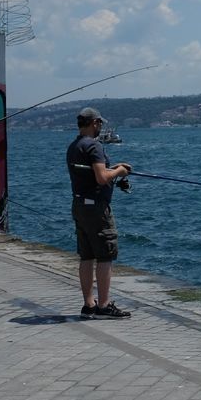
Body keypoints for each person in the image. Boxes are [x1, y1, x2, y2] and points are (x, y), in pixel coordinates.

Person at [66, 107, 132, 319]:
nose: (101, 127)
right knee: (105, 256)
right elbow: (102, 177)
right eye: (100, 124)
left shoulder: (74, 146)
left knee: (86, 256)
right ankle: (103, 306)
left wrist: (114, 168)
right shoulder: (94, 145)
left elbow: (95, 173)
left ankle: (89, 305)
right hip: (96, 208)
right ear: (94, 123)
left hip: (79, 205)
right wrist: (120, 171)